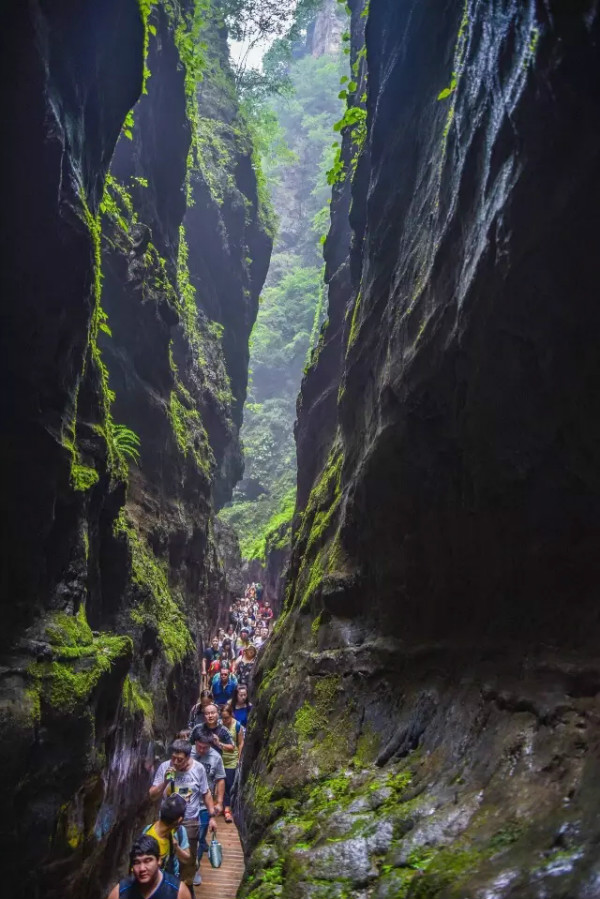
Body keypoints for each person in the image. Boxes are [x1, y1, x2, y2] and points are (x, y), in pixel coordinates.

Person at [149, 740, 216, 888]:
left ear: (188, 757)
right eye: (173, 758)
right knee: (163, 856)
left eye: (179, 759)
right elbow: (152, 795)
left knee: (188, 857)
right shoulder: (165, 767)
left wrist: (212, 816)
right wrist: (165, 782)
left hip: (189, 821)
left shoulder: (198, 769)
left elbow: (206, 793)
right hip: (166, 821)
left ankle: (186, 886)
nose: (175, 762)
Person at [190, 734, 226, 885]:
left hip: (205, 804)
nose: (202, 750)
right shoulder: (187, 753)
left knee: (199, 838)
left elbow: (220, 779)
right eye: (199, 746)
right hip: (187, 804)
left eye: (205, 748)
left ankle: (194, 868)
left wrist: (219, 802)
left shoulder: (216, 757)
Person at [107, 835, 189, 899]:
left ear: (159, 860)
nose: (142, 868)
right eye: (137, 862)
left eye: (148, 861)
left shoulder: (177, 891)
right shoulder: (120, 892)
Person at [143, 795, 191, 878]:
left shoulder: (179, 831)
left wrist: (176, 847)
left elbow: (186, 859)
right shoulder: (148, 836)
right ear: (180, 819)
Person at [220, 702, 244, 824]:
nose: (225, 720)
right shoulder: (219, 726)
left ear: (231, 715)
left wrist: (239, 758)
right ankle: (223, 806)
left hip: (232, 760)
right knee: (220, 784)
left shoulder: (237, 726)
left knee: (229, 785)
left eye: (227, 718)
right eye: (223, 718)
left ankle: (227, 809)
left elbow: (240, 743)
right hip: (220, 760)